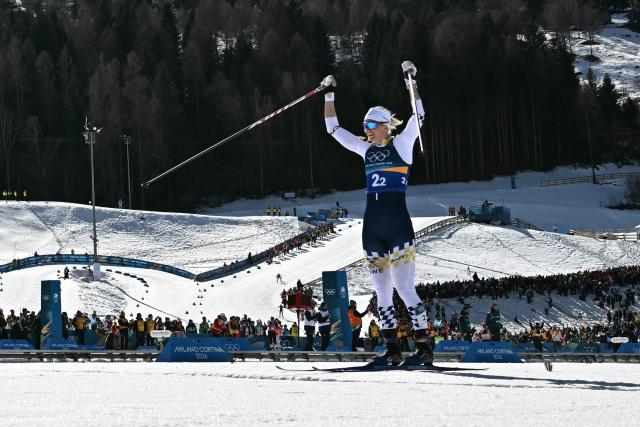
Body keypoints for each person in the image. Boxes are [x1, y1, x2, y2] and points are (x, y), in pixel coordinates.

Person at [322, 61, 431, 366]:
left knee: (405, 289)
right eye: (365, 126)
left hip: (397, 227)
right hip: (372, 229)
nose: (365, 130)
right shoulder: (365, 150)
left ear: (385, 126)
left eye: (371, 125)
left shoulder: (404, 144)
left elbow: (419, 115)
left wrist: (412, 82)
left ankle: (424, 349)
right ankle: (392, 350)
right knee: (381, 294)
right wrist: (328, 94)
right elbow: (333, 129)